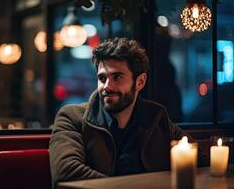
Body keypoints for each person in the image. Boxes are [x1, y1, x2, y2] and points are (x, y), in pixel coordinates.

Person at [49, 37, 208, 187]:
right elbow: (66, 172)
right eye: (102, 78)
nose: (107, 86)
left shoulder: (156, 117)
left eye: (117, 77)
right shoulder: (72, 118)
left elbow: (202, 159)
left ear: (140, 81)